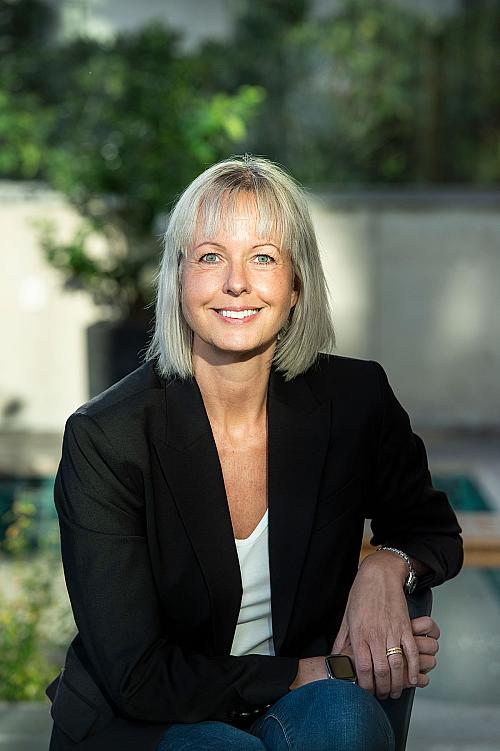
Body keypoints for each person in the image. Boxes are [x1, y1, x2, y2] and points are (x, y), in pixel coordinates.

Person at [46, 155, 463, 751]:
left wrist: (385, 567)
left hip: (300, 706)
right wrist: (308, 671)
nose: (236, 283)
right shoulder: (108, 438)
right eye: (210, 257)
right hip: (150, 717)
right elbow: (137, 675)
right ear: (179, 280)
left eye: (263, 258)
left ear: (296, 285)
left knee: (342, 722)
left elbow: (431, 529)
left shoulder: (355, 400)